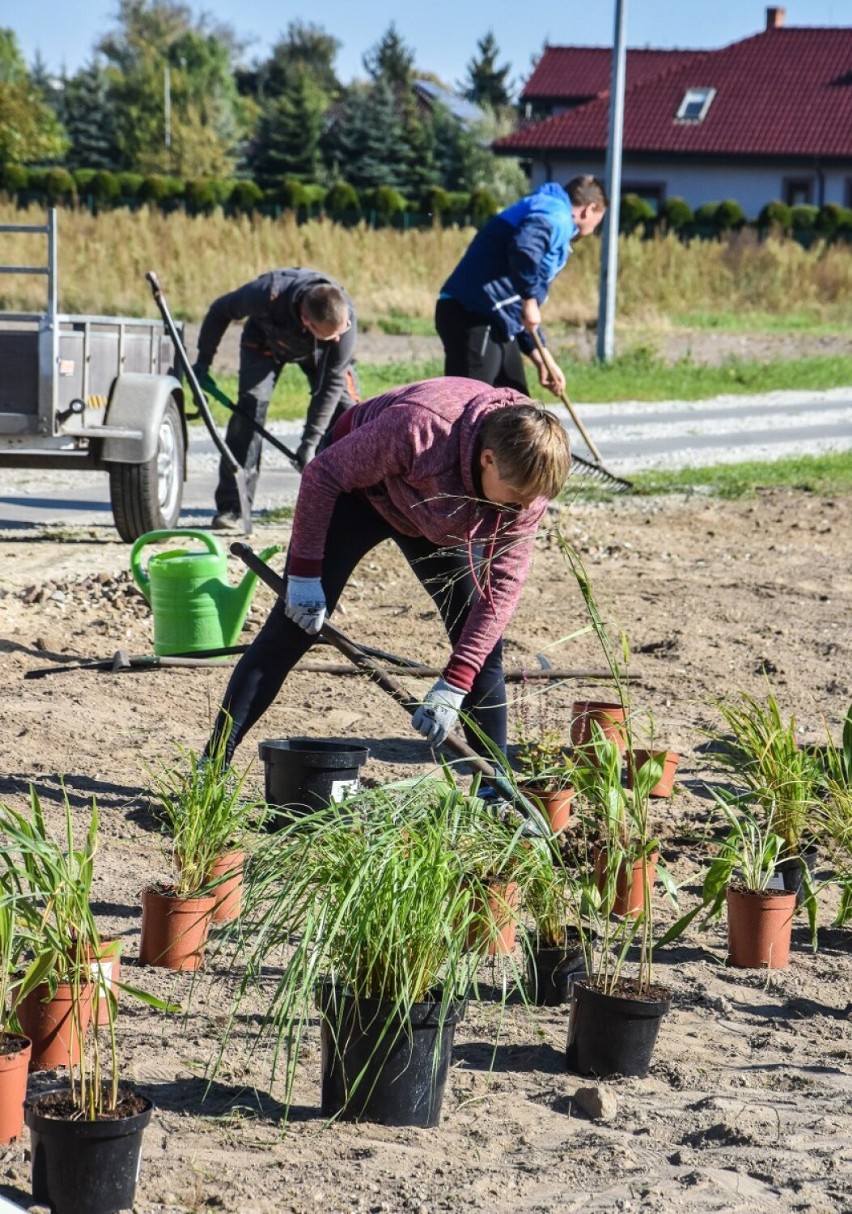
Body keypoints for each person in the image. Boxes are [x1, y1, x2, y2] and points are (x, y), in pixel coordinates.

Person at [207, 376, 571, 765]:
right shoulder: (421, 428)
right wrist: (304, 575)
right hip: (360, 493)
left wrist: (455, 682)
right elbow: (321, 475)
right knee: (293, 627)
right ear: (488, 460)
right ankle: (213, 764)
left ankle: (495, 790)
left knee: (481, 649)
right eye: (516, 497)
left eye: (531, 500)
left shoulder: (525, 489)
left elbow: (503, 588)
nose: (522, 507)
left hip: (434, 518)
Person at [192, 267, 359, 531]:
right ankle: (232, 508)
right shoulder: (265, 294)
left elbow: (331, 384)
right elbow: (219, 310)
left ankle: (346, 507)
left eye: (342, 330)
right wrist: (203, 362)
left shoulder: (342, 318)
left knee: (349, 415)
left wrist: (310, 442)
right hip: (264, 344)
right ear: (306, 320)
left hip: (319, 354)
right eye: (332, 334)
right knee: (249, 412)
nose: (340, 337)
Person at [435, 175, 607, 396]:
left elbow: (520, 309)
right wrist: (529, 300)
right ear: (589, 209)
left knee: (516, 407)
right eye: (598, 222)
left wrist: (543, 359)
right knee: (469, 407)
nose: (593, 231)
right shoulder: (555, 214)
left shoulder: (547, 210)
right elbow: (524, 248)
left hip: (495, 318)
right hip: (473, 314)